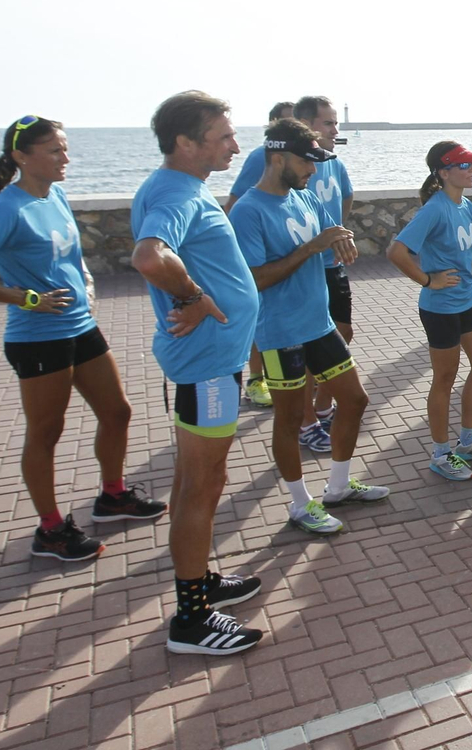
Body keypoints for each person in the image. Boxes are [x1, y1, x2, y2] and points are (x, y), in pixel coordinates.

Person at [0, 116, 166, 563]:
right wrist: (23, 298)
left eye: (65, 149)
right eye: (54, 151)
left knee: (118, 412)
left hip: (80, 326)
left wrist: (86, 283)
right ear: (21, 157)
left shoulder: (57, 194)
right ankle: (49, 530)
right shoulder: (9, 209)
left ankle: (112, 496)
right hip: (37, 338)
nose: (65, 158)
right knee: (47, 433)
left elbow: (71, 255)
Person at [130, 91, 264, 654]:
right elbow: (149, 256)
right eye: (223, 135)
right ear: (186, 142)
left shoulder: (176, 188)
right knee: (202, 484)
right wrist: (195, 296)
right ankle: (191, 618)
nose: (235, 144)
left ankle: (201, 579)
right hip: (208, 365)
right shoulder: (175, 193)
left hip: (214, 361)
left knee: (198, 479)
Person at [230, 119, 389, 531]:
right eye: (306, 162)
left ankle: (337, 487)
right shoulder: (248, 210)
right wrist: (311, 248)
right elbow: (256, 278)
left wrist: (341, 237)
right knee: (287, 421)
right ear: (277, 157)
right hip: (280, 333)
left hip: (318, 324)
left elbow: (328, 230)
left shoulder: (302, 198)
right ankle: (300, 504)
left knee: (354, 401)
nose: (313, 172)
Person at [388, 141, 472, 480]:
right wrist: (427, 280)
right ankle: (441, 454)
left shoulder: (464, 206)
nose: (471, 170)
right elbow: (396, 251)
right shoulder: (435, 209)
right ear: (443, 172)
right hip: (439, 309)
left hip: (469, 301)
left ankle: (468, 441)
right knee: (445, 378)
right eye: (464, 165)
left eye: (471, 165)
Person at [290, 96, 356, 455]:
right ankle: (305, 423)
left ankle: (321, 407)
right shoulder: (275, 164)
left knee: (341, 334)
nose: (335, 130)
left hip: (332, 266)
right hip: (301, 272)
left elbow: (346, 195)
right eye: (328, 123)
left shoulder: (333, 162)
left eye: (335, 123)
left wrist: (339, 231)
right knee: (305, 349)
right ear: (307, 126)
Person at [222, 99, 294, 408]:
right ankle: (255, 378)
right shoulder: (259, 157)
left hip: (288, 248)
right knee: (259, 315)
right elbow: (235, 200)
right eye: (290, 122)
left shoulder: (303, 156)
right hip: (258, 251)